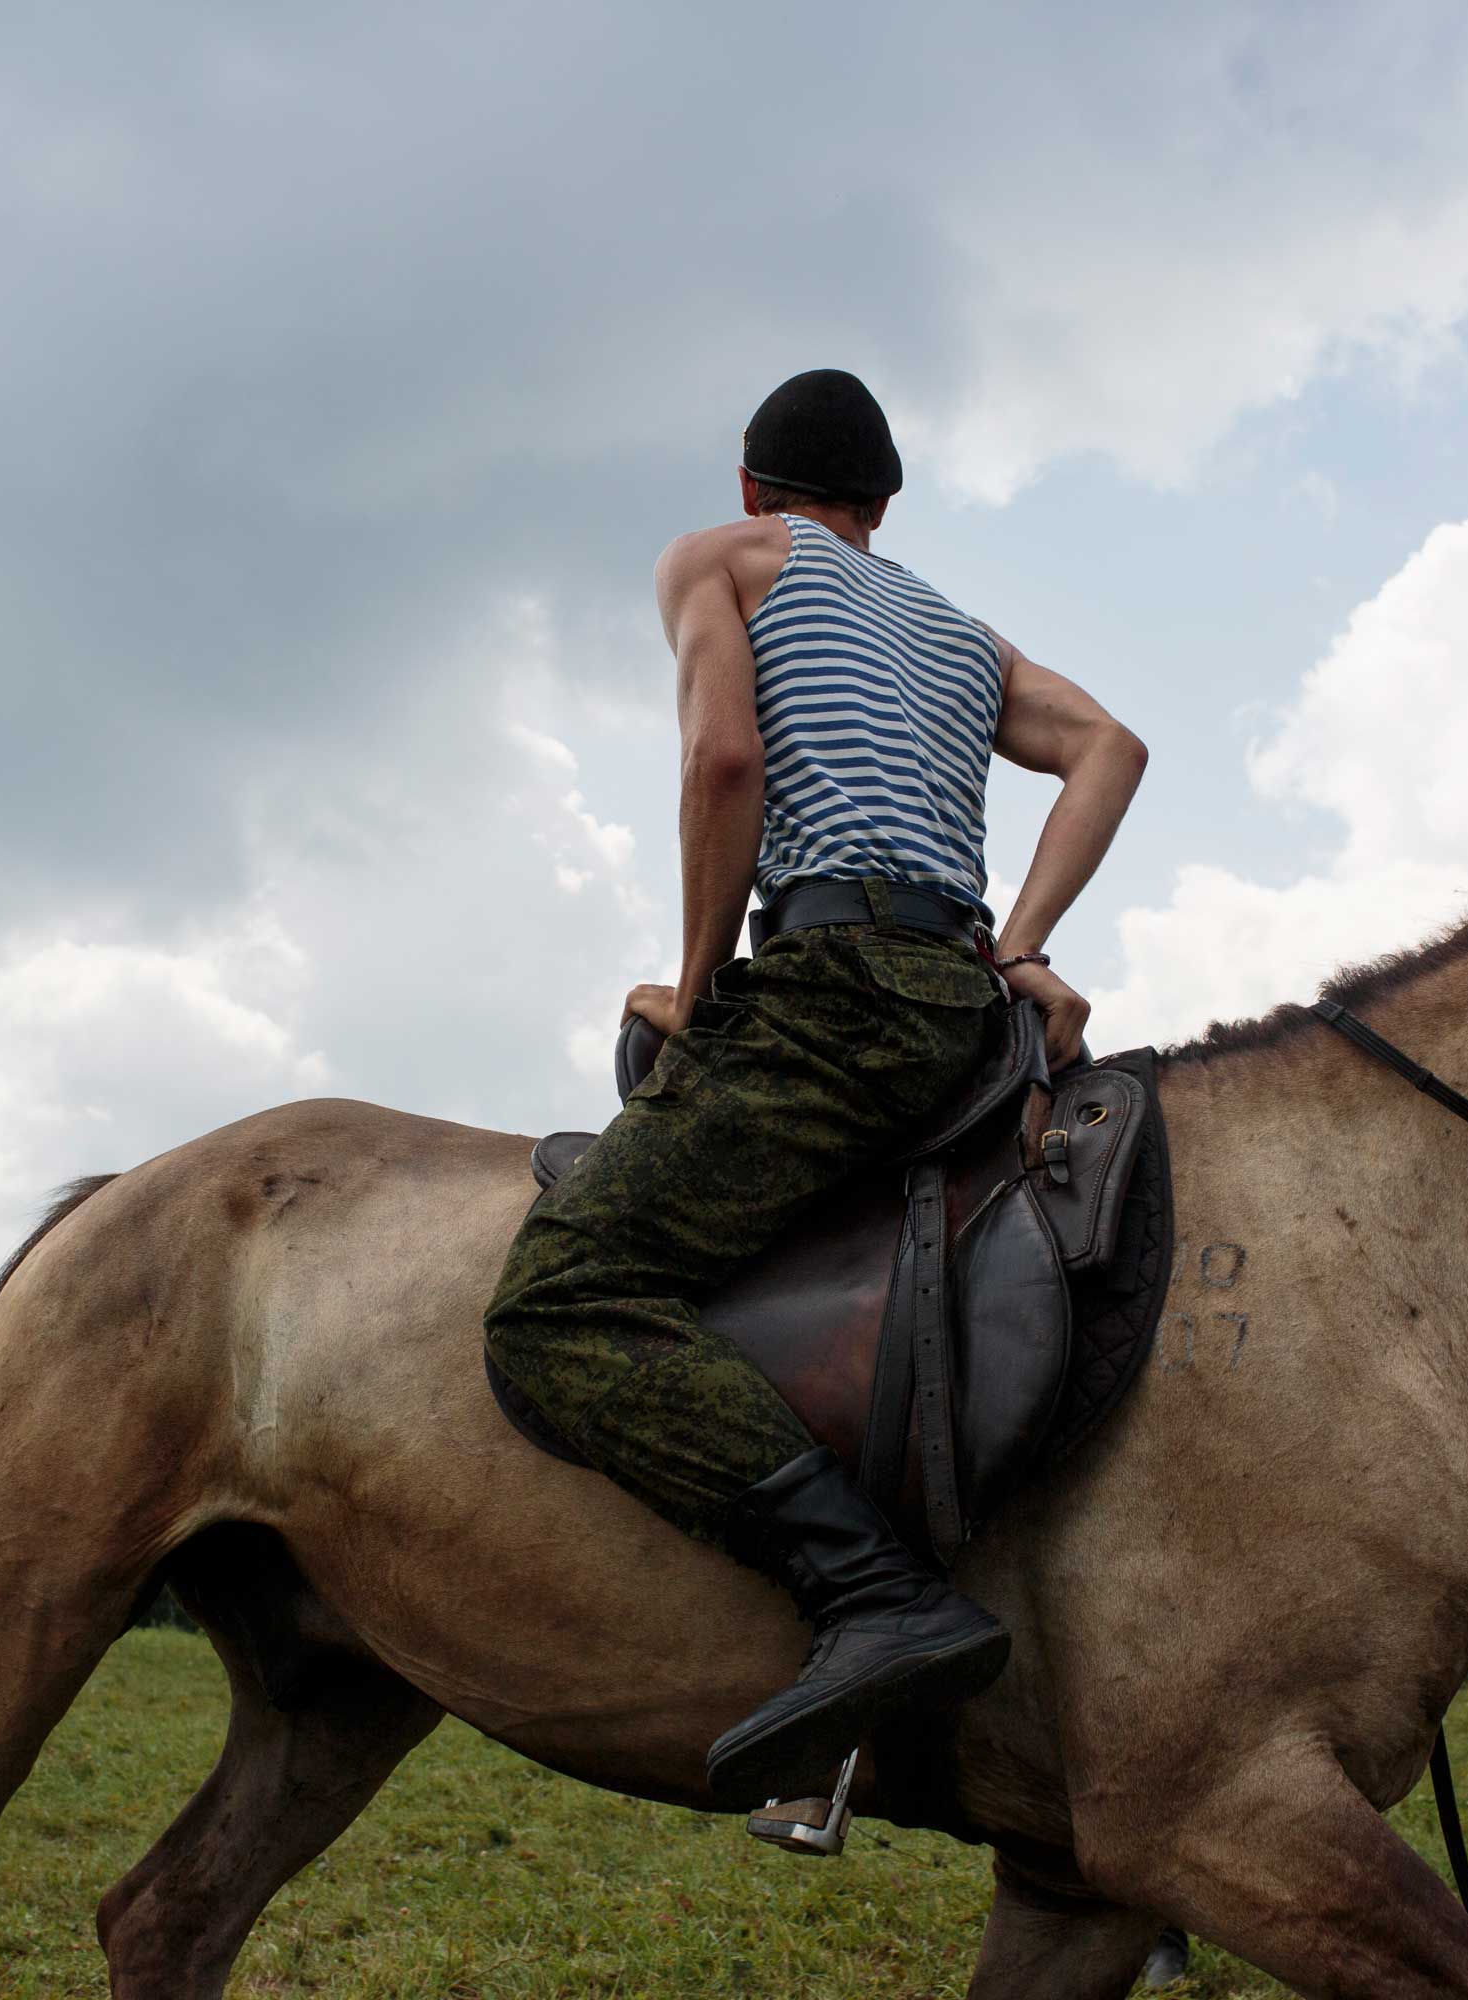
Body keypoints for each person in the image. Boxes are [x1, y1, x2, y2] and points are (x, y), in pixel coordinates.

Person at [485, 368, 1149, 1807]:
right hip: (963, 1005)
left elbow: (724, 757)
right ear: (882, 508)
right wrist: (1022, 941)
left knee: (557, 1299)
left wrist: (696, 980)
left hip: (834, 986)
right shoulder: (962, 634)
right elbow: (1112, 748)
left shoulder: (719, 561)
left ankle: (873, 1593)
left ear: (751, 491)